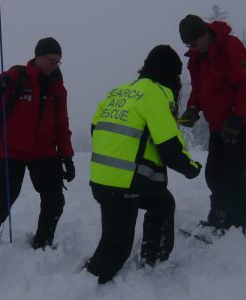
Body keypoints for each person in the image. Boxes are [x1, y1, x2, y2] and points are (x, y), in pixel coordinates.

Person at [86, 45, 202, 284]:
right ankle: (86, 284)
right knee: (115, 249)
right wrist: (191, 168)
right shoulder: (156, 94)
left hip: (101, 180)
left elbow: (95, 129)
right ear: (171, 73)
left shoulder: (119, 92)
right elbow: (170, 147)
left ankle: (155, 258)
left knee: (161, 203)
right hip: (124, 185)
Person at [0, 37, 75, 249]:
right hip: (12, 152)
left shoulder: (57, 88)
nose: (54, 65)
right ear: (38, 57)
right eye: (51, 60)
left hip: (45, 153)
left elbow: (61, 123)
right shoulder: (14, 78)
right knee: (1, 203)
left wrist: (67, 155)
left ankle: (42, 245)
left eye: (58, 62)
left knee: (54, 202)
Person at [178, 15, 246, 233]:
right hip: (216, 125)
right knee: (213, 172)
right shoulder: (196, 58)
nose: (192, 48)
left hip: (237, 123)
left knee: (234, 171)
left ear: (205, 33)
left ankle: (236, 221)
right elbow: (199, 89)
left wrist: (236, 117)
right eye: (188, 45)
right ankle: (219, 214)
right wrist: (193, 109)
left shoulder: (230, 47)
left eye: (194, 43)